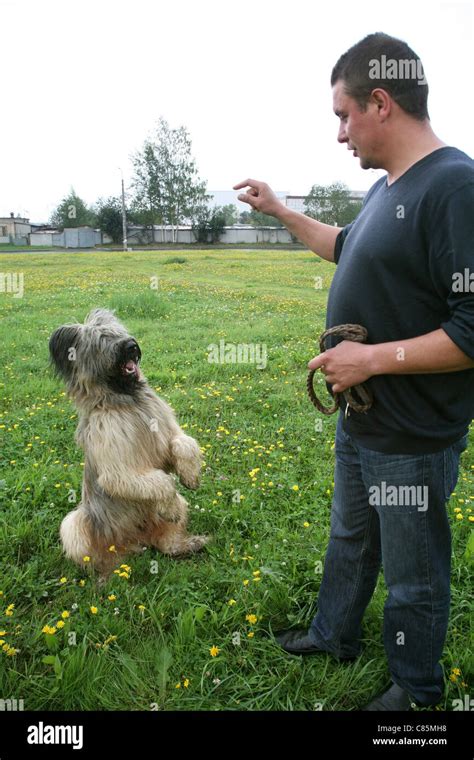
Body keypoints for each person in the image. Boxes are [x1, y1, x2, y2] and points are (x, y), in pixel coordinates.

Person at [234, 32, 474, 711]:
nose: (340, 133)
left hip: (413, 435)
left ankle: (417, 690)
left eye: (344, 115)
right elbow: (343, 246)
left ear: (381, 101)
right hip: (364, 418)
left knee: (414, 573)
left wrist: (368, 358)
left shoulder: (454, 186)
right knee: (351, 536)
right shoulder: (389, 189)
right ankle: (333, 633)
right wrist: (281, 210)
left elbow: (472, 328)